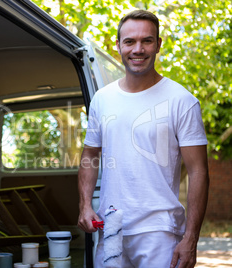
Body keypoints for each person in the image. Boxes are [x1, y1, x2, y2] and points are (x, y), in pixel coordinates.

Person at [77, 10, 209, 268]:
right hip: (111, 228)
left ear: (159, 44)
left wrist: (191, 238)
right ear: (118, 46)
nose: (138, 49)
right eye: (129, 41)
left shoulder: (181, 101)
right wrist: (84, 205)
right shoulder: (102, 100)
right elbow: (90, 155)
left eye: (147, 41)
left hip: (160, 232)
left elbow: (198, 171)